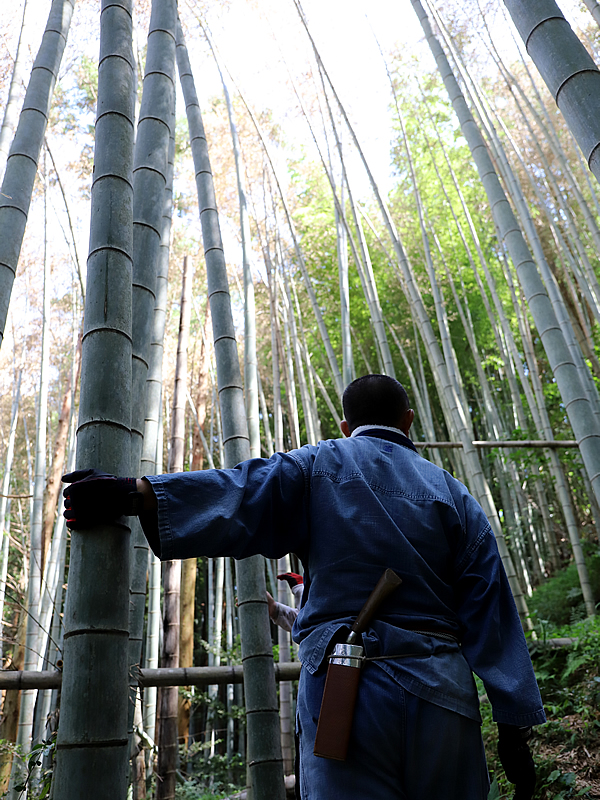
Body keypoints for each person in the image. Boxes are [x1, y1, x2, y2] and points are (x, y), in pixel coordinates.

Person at [63, 374, 545, 800]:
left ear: (345, 425)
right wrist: (513, 726)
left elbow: (241, 491)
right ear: (410, 421)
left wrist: (135, 493)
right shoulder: (456, 496)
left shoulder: (319, 464)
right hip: (442, 691)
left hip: (346, 691)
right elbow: (492, 615)